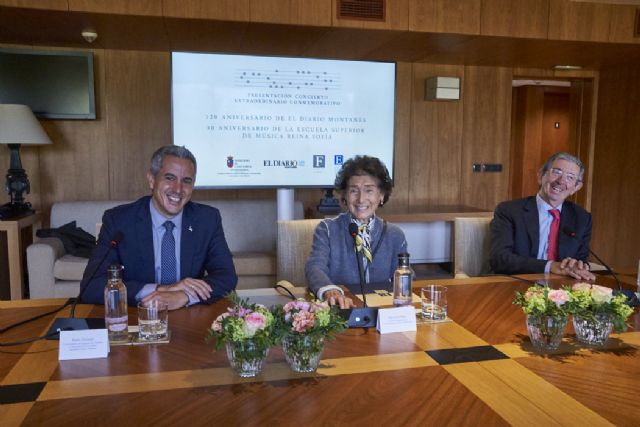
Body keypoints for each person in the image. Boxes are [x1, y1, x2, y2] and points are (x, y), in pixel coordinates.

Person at [79, 145, 237, 310]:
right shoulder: (119, 220)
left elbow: (226, 277)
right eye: (169, 178)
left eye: (186, 181)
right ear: (152, 179)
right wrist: (161, 290)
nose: (178, 189)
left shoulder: (207, 219)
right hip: (138, 317)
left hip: (189, 315)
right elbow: (92, 286)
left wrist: (184, 296)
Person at [305, 155, 408, 308]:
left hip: (381, 310)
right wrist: (331, 291)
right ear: (345, 196)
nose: (361, 199)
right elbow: (315, 267)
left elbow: (403, 279)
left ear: (381, 195)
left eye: (369, 191)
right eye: (354, 191)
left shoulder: (394, 234)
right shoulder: (326, 229)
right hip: (342, 307)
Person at [490, 152, 595, 280]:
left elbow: (581, 258)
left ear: (576, 187)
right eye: (556, 172)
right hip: (517, 282)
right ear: (541, 175)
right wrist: (550, 266)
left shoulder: (582, 218)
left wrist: (579, 266)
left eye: (570, 177)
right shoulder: (510, 211)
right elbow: (500, 259)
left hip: (562, 288)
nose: (561, 181)